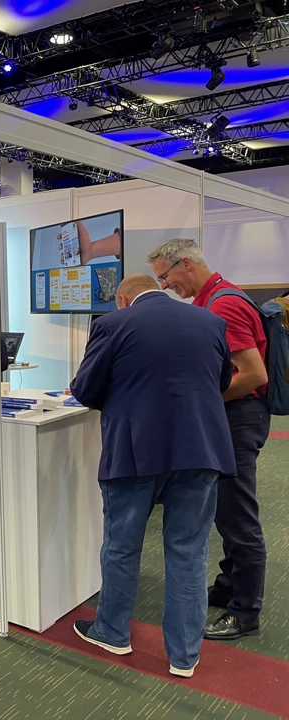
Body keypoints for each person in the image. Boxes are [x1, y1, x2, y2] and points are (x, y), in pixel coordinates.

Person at [69, 274, 236, 678]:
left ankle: (112, 631)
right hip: (200, 449)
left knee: (122, 546)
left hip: (134, 451)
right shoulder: (210, 321)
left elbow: (86, 390)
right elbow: (221, 381)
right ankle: (184, 656)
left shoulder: (112, 324)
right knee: (189, 551)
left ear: (122, 299)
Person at [147, 239, 270, 641]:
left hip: (238, 420)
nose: (164, 286)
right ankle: (229, 586)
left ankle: (245, 612)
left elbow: (254, 374)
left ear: (186, 263)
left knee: (237, 515)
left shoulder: (224, 305)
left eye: (165, 276)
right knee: (224, 509)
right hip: (231, 419)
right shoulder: (212, 299)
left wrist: (203, 400)